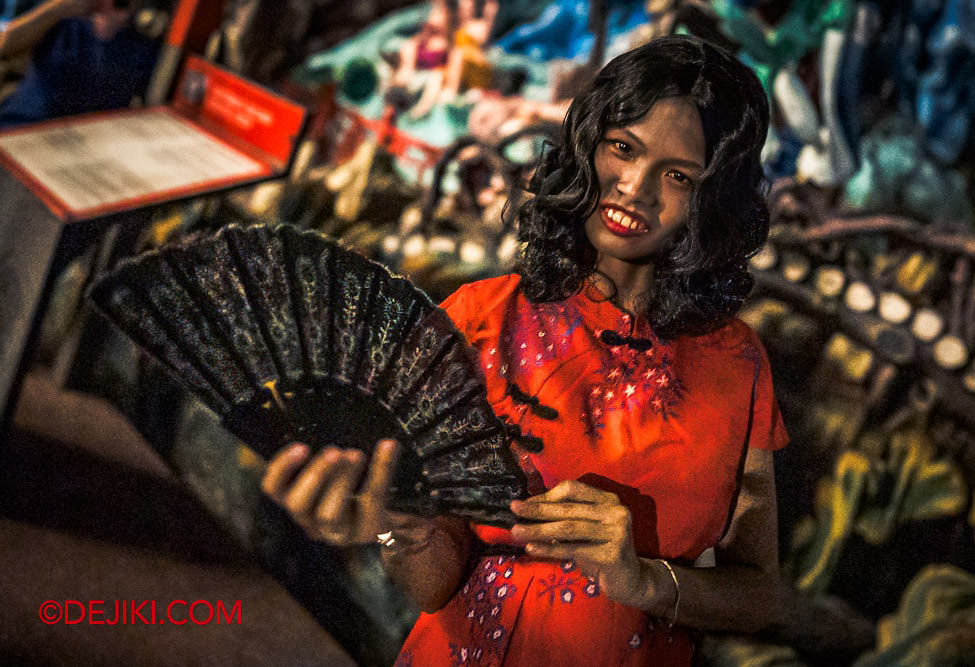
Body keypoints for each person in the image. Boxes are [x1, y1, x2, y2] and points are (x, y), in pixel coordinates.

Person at [262, 35, 786, 666]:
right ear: (589, 144)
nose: (635, 189)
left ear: (714, 198)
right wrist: (396, 528)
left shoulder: (736, 363)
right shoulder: (481, 320)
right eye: (623, 149)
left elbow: (760, 594)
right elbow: (433, 583)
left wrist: (643, 581)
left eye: (678, 175)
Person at [0, 0, 159, 128]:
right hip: (20, 124)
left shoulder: (141, 44)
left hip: (79, 139)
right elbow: (5, 45)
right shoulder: (65, 19)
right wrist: (61, 8)